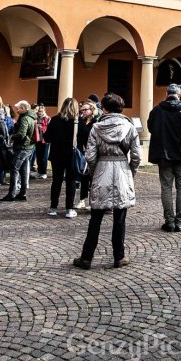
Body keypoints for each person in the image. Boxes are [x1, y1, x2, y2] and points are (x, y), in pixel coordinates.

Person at [73, 93, 140, 269]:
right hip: (122, 170)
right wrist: (130, 172)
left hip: (102, 169)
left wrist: (95, 172)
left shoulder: (96, 128)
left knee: (95, 218)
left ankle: (86, 257)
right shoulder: (130, 127)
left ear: (104, 109)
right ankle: (119, 256)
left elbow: (90, 156)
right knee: (120, 218)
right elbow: (136, 156)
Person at [146, 84, 181, 232]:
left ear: (166, 93)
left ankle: (169, 222)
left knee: (166, 187)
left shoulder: (157, 110)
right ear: (179, 95)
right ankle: (180, 222)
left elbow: (150, 128)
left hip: (164, 154)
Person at [44, 97, 79, 217]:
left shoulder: (54, 120)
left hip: (57, 154)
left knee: (56, 181)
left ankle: (53, 207)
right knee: (71, 181)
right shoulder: (77, 121)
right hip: (71, 155)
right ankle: (69, 209)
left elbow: (47, 137)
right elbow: (86, 136)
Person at [0, 100, 35, 202]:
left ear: (23, 108)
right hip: (28, 147)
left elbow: (21, 134)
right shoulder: (31, 117)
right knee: (23, 171)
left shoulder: (24, 119)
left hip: (23, 147)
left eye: (18, 108)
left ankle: (11, 194)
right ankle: (22, 193)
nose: (17, 110)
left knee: (14, 169)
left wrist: (11, 136)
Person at [75, 100, 99, 210]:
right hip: (81, 152)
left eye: (85, 110)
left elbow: (88, 133)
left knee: (93, 178)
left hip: (92, 152)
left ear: (92, 110)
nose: (83, 111)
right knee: (84, 176)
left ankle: (92, 202)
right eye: (82, 110)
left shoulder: (95, 123)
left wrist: (80, 122)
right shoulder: (81, 121)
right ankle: (82, 200)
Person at [33, 103, 51, 179]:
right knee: (38, 156)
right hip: (38, 140)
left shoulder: (48, 118)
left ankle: (44, 172)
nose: (39, 112)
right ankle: (39, 171)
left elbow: (50, 129)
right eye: (38, 111)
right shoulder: (36, 119)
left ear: (44, 111)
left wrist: (42, 128)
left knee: (44, 157)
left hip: (45, 141)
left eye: (41, 111)